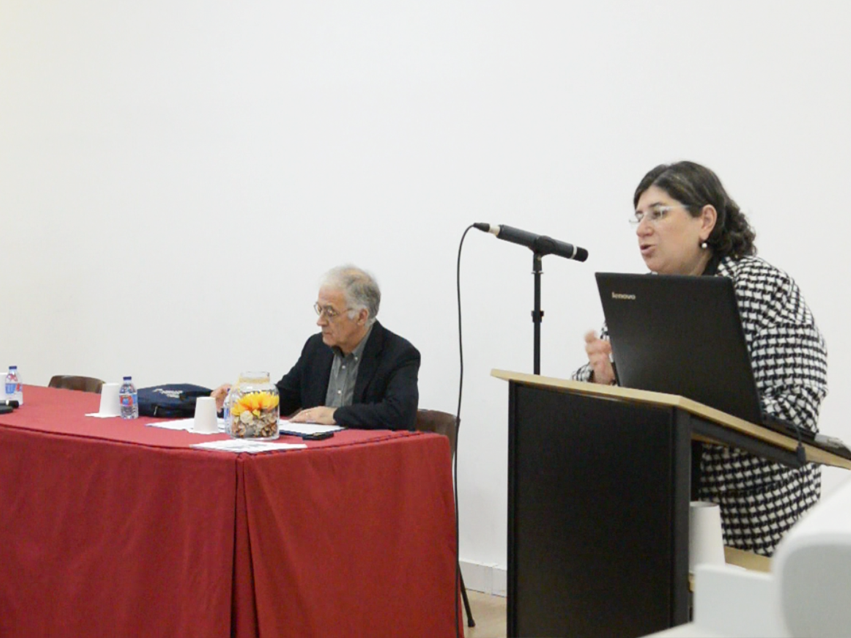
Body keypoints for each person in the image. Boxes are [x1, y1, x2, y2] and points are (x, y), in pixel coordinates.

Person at [573, 161, 828, 556]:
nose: (642, 228)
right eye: (639, 216)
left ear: (705, 221)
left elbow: (798, 406)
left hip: (751, 514)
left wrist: (701, 413)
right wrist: (600, 379)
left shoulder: (765, 289)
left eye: (658, 213)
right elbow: (590, 379)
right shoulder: (641, 297)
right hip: (660, 500)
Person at [212, 265, 420, 430]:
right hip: (316, 458)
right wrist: (239, 399)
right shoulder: (316, 348)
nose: (320, 321)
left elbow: (400, 414)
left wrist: (334, 415)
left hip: (367, 461)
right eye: (319, 310)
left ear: (361, 316)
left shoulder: (398, 354)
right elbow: (283, 399)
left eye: (330, 312)